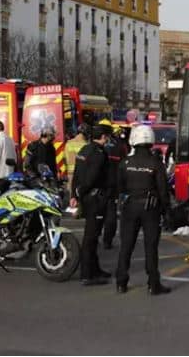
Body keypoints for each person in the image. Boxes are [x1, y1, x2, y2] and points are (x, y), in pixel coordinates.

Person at [115, 125, 172, 295]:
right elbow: (163, 190)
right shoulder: (156, 163)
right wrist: (166, 212)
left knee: (126, 245)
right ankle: (153, 284)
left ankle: (121, 282)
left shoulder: (125, 163)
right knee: (151, 247)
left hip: (130, 206)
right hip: (151, 208)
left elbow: (120, 187)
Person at [71, 124, 112, 286]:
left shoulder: (84, 150)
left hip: (86, 197)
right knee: (91, 237)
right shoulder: (99, 154)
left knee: (92, 236)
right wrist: (82, 191)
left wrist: (75, 194)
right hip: (95, 198)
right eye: (107, 136)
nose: (108, 139)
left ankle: (95, 269)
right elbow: (92, 177)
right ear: (103, 137)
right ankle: (87, 274)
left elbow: (76, 173)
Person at [97, 119, 128, 250]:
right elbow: (125, 165)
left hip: (98, 185)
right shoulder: (121, 146)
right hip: (113, 185)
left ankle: (95, 237)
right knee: (111, 214)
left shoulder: (97, 145)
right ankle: (107, 241)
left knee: (97, 214)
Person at [64, 123, 90, 212]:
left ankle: (73, 209)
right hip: (82, 172)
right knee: (82, 191)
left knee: (72, 192)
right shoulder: (86, 145)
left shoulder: (69, 143)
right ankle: (81, 209)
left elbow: (65, 159)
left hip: (71, 173)